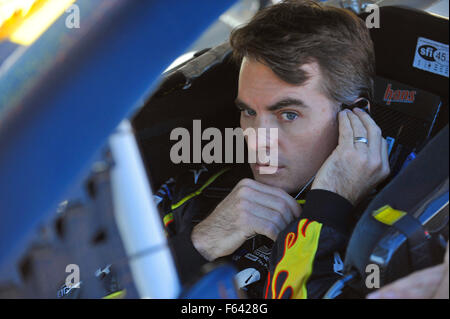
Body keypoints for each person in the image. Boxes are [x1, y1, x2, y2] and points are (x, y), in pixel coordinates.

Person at [154, 0, 390, 298]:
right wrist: (199, 245)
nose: (257, 140)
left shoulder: (395, 233)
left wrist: (325, 213)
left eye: (288, 114)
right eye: (249, 112)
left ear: (357, 116)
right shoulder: (196, 189)